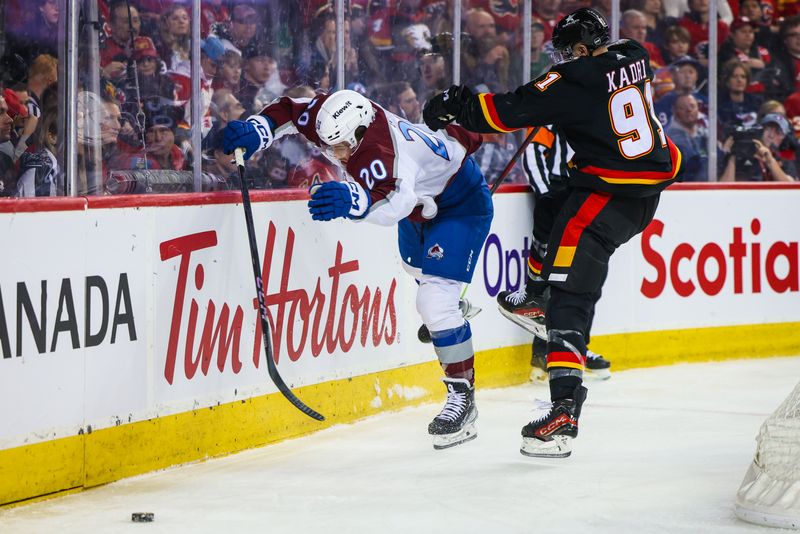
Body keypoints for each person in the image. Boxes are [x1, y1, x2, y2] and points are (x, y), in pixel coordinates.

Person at [423, 8, 682, 458]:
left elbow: (503, 112)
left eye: (569, 52)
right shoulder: (634, 53)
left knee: (571, 298)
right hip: (641, 191)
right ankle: (540, 296)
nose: (564, 59)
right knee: (555, 210)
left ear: (581, 50)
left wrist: (454, 102)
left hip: (607, 196)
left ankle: (564, 408)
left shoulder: (572, 80)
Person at [222, 89, 492, 450]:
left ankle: (463, 398)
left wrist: (353, 199)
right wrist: (260, 128)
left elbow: (395, 203)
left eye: (342, 148)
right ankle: (451, 314)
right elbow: (290, 109)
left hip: (460, 201)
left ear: (363, 131)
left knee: (433, 302)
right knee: (416, 270)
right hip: (421, 200)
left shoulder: (388, 156)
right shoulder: (332, 120)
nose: (336, 156)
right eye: (331, 147)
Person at [510, 124, 613, 381]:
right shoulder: (555, 105)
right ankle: (546, 351)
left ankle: (576, 346)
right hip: (562, 192)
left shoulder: (597, 107)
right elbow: (532, 152)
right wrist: (547, 197)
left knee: (590, 273)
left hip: (589, 192)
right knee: (556, 275)